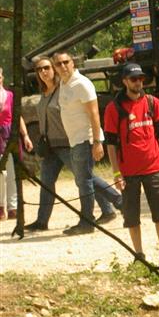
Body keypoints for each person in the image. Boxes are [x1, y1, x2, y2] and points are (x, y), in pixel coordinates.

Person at [101, 63, 159, 269]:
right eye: (133, 79)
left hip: (153, 167)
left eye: (141, 79)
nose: (138, 82)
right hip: (128, 171)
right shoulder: (114, 108)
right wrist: (116, 172)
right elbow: (111, 143)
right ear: (124, 81)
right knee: (132, 215)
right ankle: (139, 256)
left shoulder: (153, 103)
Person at [52, 51, 121, 235]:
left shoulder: (82, 84)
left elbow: (94, 114)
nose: (63, 66)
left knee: (83, 181)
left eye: (66, 62)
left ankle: (87, 222)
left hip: (86, 138)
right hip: (74, 139)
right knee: (86, 177)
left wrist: (97, 141)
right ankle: (114, 206)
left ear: (73, 63)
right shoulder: (63, 84)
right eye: (59, 64)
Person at [19, 57, 70, 231]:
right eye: (40, 69)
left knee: (85, 178)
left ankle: (115, 203)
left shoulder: (63, 89)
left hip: (66, 143)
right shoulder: (45, 92)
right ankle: (42, 221)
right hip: (50, 146)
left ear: (53, 69)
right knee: (46, 182)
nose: (43, 72)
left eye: (47, 68)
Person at [0, 65, 15, 221]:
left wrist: (25, 136)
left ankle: (13, 207)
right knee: (0, 174)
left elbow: (18, 117)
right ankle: (0, 207)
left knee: (12, 173)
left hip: (8, 134)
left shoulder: (10, 95)